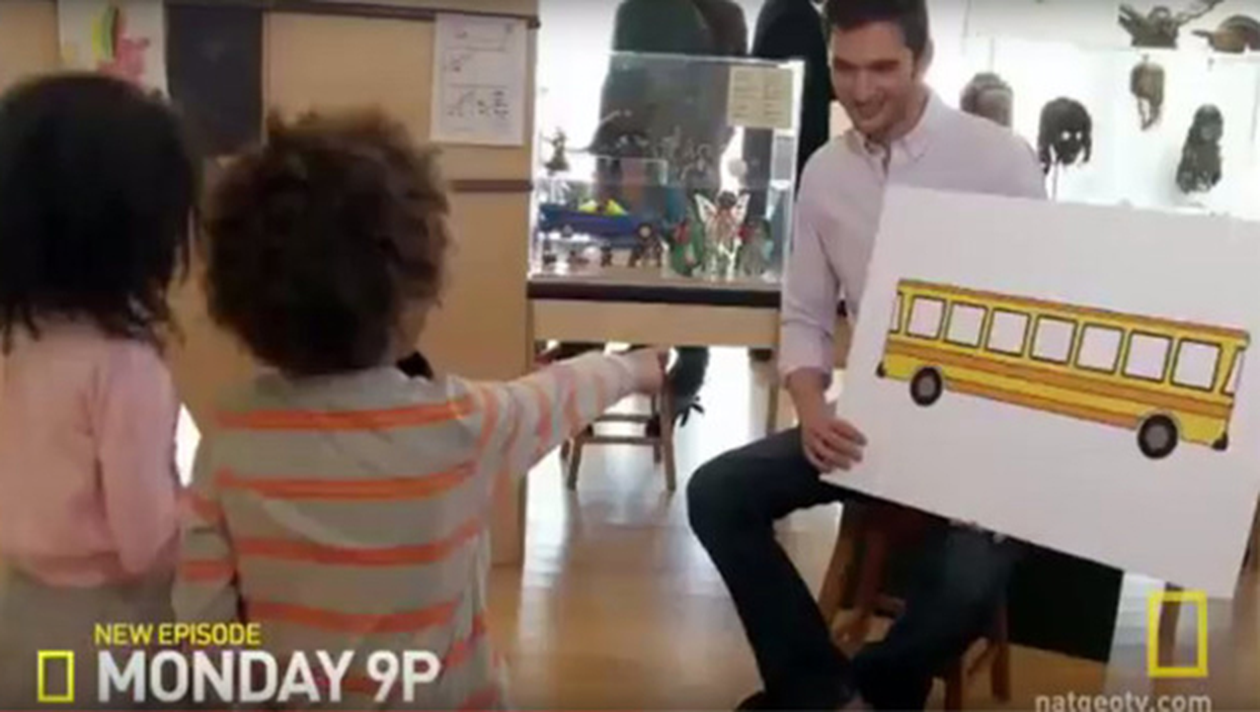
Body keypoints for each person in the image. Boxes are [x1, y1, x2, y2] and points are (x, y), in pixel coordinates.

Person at [173, 109, 665, 710]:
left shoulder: (230, 434)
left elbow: (201, 619)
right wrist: (634, 368)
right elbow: (560, 393)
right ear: (412, 292)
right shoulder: (460, 425)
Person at [687, 1, 1047, 709]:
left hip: (989, 442)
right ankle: (819, 690)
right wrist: (812, 407)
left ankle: (876, 691)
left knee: (970, 576)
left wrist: (997, 467)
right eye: (844, 69)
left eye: (882, 68)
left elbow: (1045, 316)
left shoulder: (1001, 160)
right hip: (876, 425)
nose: (860, 90)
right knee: (717, 493)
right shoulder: (826, 173)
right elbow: (804, 314)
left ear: (923, 59)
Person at [0, 73, 197, 707]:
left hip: (18, 607)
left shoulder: (16, 340)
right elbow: (146, 544)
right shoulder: (124, 367)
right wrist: (209, 509)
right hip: (115, 631)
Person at [551, 0, 748, 431]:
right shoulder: (728, 15)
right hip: (697, 173)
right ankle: (681, 381)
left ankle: (589, 375)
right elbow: (734, 111)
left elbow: (620, 99)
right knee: (687, 284)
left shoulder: (643, 10)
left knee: (621, 272)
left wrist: (607, 172)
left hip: (640, 175)